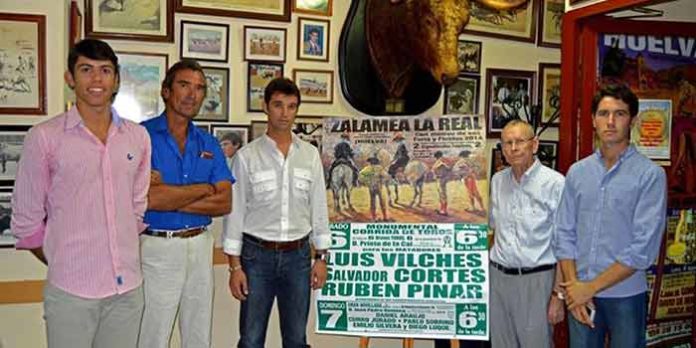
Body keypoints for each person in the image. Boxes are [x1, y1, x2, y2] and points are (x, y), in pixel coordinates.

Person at [11, 39, 151, 348]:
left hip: (128, 289)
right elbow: (26, 221)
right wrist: (65, 261)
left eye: (105, 70)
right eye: (86, 70)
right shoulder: (45, 137)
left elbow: (137, 207)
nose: (96, 79)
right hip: (71, 292)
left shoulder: (137, 137)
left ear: (116, 79)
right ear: (70, 78)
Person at [554, 84, 667, 348]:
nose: (611, 121)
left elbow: (643, 249)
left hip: (625, 296)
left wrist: (589, 288)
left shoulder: (649, 175)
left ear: (633, 120)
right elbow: (563, 233)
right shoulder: (577, 173)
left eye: (620, 113)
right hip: (579, 292)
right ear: (593, 120)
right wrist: (574, 288)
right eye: (604, 113)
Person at [223, 77, 330, 348]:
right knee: (251, 339)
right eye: (278, 105)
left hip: (298, 257)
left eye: (292, 106)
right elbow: (233, 215)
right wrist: (235, 266)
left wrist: (322, 258)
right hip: (256, 257)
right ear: (266, 107)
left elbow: (318, 208)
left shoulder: (309, 155)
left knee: (296, 339)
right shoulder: (246, 157)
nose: (285, 113)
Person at [138, 59, 234, 348]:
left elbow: (224, 202)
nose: (192, 94)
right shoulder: (140, 137)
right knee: (153, 332)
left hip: (200, 244)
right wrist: (203, 189)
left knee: (198, 333)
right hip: (158, 247)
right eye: (184, 85)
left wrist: (169, 196)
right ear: (165, 91)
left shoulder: (208, 143)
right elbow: (147, 200)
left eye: (199, 88)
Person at [489, 120, 565, 348]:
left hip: (537, 281)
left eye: (520, 141)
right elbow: (493, 230)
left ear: (534, 145)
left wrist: (557, 296)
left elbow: (565, 245)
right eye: (507, 143)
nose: (513, 148)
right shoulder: (497, 180)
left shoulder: (555, 183)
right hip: (498, 279)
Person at [359, 154, 389, 221]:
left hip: (372, 187)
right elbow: (386, 176)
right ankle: (385, 217)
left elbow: (361, 176)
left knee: (373, 202)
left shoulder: (367, 168)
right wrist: (382, 180)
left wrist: (367, 183)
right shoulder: (379, 168)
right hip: (379, 186)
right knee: (383, 202)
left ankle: (374, 218)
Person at [431, 151, 450, 216]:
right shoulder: (439, 162)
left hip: (441, 179)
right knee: (441, 195)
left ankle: (444, 211)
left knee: (442, 195)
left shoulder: (440, 162)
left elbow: (446, 168)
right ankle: (442, 209)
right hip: (439, 179)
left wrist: (439, 174)